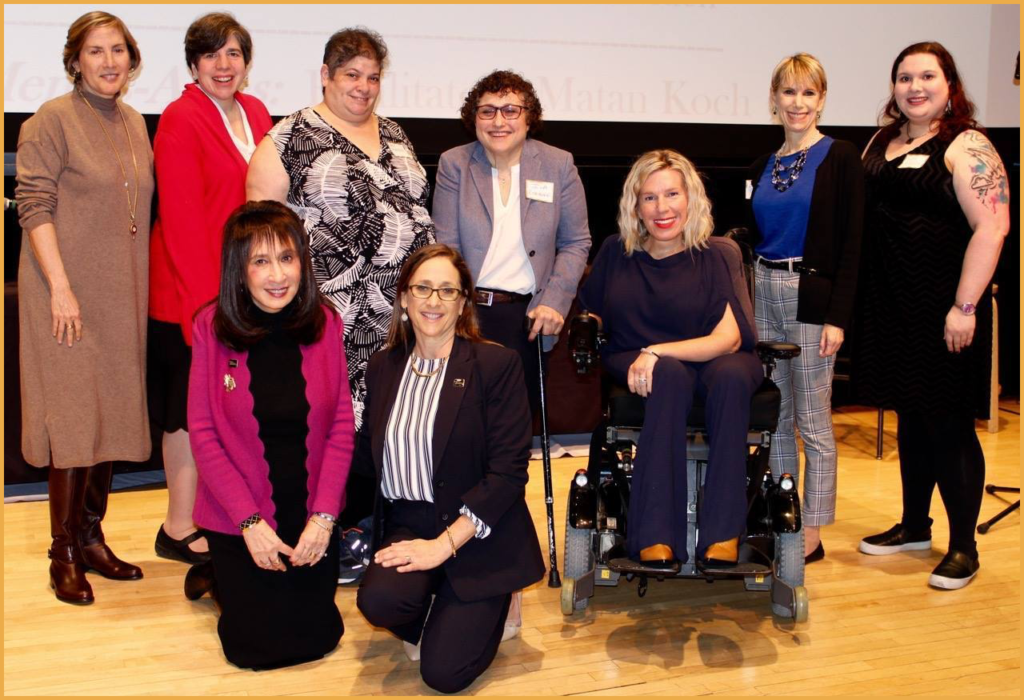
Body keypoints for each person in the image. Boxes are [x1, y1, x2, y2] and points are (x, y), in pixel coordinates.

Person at [355, 244, 545, 694]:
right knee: (378, 602)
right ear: (403, 297)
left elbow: (508, 474)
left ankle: (500, 598)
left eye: (447, 291)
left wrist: (443, 546)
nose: (433, 301)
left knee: (443, 675)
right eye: (422, 288)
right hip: (410, 522)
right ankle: (437, 598)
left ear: (463, 303)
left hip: (477, 531)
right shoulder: (384, 366)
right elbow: (365, 457)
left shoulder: (495, 365)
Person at [854, 42, 1010, 590]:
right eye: (904, 77)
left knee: (948, 424)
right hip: (893, 305)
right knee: (911, 417)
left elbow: (992, 228)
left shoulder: (967, 144)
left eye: (927, 76)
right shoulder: (884, 140)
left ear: (950, 84)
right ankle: (915, 526)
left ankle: (964, 546)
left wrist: (964, 306)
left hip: (946, 308)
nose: (914, 87)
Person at [16, 11, 152, 604]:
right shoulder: (50, 120)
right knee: (73, 420)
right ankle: (63, 552)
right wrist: (62, 288)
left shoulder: (134, 122)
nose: (108, 62)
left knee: (110, 414)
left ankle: (93, 538)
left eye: (117, 50)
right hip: (64, 296)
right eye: (95, 51)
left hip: (122, 296)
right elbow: (33, 207)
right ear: (76, 60)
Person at [187, 201, 355, 669]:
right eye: (260, 261)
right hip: (240, 517)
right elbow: (203, 435)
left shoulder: (326, 322)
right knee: (254, 652)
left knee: (317, 640)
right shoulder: (210, 328)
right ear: (238, 271)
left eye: (287, 257)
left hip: (310, 517)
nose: (277, 274)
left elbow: (342, 425)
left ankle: (217, 577)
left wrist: (323, 519)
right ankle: (216, 574)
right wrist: (249, 524)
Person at [578, 150, 763, 568]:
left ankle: (724, 534)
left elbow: (729, 338)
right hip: (641, 363)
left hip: (710, 356)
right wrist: (646, 356)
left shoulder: (716, 253)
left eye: (672, 194)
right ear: (635, 206)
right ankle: (655, 535)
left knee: (733, 376)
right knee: (671, 376)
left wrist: (657, 350)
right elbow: (591, 315)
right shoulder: (616, 252)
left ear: (690, 198)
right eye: (650, 198)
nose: (662, 208)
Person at [246, 26, 435, 432]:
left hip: (407, 321)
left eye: (372, 77)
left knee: (402, 433)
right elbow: (260, 242)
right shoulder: (287, 139)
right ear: (325, 75)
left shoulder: (394, 133)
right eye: (351, 74)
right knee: (339, 442)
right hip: (335, 322)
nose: (363, 86)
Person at [149, 11, 273, 566]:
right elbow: (179, 221)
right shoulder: (179, 117)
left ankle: (216, 516)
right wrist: (207, 308)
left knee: (230, 411)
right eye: (211, 55)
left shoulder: (257, 111)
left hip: (246, 288)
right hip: (189, 290)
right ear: (194, 64)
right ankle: (177, 528)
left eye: (233, 54)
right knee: (186, 409)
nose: (224, 65)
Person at [747, 54, 864, 564]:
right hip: (762, 286)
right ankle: (780, 515)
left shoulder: (840, 158)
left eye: (809, 93)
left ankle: (811, 532)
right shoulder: (763, 164)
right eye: (789, 92)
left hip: (811, 296)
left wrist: (837, 316)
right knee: (777, 416)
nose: (798, 103)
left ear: (822, 99)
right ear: (774, 99)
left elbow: (853, 245)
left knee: (813, 420)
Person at [432, 69, 591, 415]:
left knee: (514, 429)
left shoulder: (557, 164)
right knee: (462, 424)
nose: (498, 121)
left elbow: (577, 241)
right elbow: (445, 248)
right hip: (467, 314)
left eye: (510, 110)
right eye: (487, 110)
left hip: (529, 319)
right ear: (473, 119)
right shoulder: (454, 164)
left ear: (529, 116)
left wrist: (555, 301)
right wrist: (454, 306)